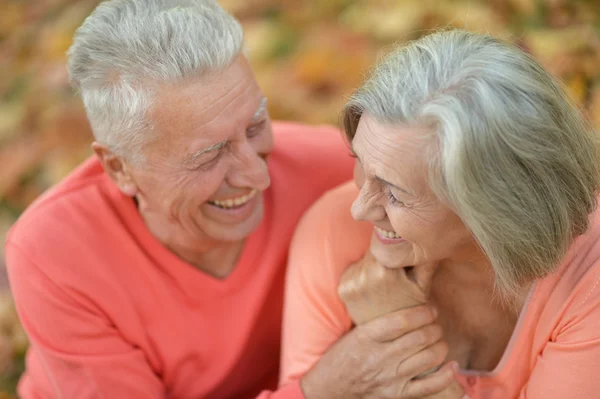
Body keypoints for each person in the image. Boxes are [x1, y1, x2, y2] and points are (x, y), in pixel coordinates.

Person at [5, 1, 455, 398]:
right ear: (119, 168)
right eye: (210, 155)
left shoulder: (338, 172)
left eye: (255, 126)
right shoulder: (54, 252)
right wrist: (323, 390)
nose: (258, 175)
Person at [281, 30, 600, 399]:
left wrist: (400, 333)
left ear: (493, 209)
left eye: (395, 194)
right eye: (360, 164)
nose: (360, 208)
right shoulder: (332, 232)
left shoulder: (588, 278)